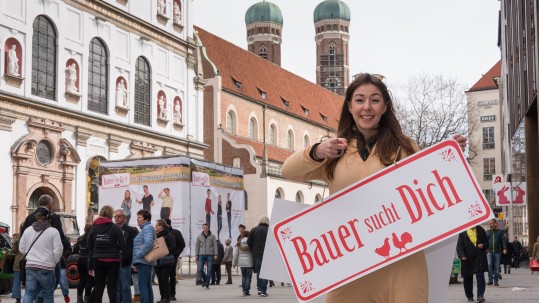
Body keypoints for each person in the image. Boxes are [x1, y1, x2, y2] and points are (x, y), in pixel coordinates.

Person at [281, 73, 467, 303]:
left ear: (385, 106)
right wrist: (317, 151)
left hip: (402, 260)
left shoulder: (406, 147)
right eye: (359, 100)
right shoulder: (334, 150)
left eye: (375, 100)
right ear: (349, 106)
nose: (366, 107)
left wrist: (446, 154)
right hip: (351, 261)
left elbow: (432, 187)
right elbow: (287, 171)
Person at [19, 207, 63, 303]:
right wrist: (53, 261)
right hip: (46, 267)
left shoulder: (28, 230)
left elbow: (21, 248)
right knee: (48, 293)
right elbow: (58, 250)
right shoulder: (53, 231)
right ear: (48, 218)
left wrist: (30, 257)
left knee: (29, 293)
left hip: (30, 266)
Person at [87, 205, 126, 303]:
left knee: (99, 286)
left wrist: (98, 249)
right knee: (112, 286)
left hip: (98, 260)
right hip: (113, 260)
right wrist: (114, 249)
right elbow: (123, 245)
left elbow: (89, 246)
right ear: (111, 214)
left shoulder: (94, 228)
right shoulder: (115, 228)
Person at [456, 225, 488, 303]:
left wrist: (483, 245)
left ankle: (480, 296)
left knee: (480, 277)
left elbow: (487, 243)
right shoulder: (463, 232)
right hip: (467, 258)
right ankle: (469, 296)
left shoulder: (481, 230)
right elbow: (459, 246)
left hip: (478, 257)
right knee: (467, 278)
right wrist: (462, 255)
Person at [114, 209, 138, 303]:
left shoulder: (130, 230)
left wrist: (131, 260)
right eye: (115, 216)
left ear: (124, 218)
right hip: (113, 261)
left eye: (118, 216)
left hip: (125, 262)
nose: (116, 218)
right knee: (115, 286)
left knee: (125, 286)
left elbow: (133, 246)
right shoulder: (112, 228)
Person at [132, 210, 156, 303]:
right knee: (146, 285)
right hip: (144, 261)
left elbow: (149, 243)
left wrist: (138, 255)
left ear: (146, 219)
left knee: (142, 285)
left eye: (140, 217)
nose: (137, 219)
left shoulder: (147, 228)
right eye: (137, 217)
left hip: (144, 261)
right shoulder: (146, 228)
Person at [163, 218, 185, 301]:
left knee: (172, 276)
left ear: (167, 224)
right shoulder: (160, 233)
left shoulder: (176, 233)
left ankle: (172, 294)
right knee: (163, 277)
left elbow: (182, 244)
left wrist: (176, 254)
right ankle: (165, 294)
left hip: (172, 258)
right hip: (162, 258)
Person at [247, 215, 270, 297]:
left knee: (259, 271)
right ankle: (264, 290)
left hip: (256, 253)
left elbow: (249, 242)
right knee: (266, 272)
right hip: (267, 253)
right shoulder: (269, 230)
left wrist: (253, 250)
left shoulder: (253, 230)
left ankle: (259, 289)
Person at [155, 219, 176, 303]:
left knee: (164, 279)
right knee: (160, 279)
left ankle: (167, 298)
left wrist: (164, 251)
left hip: (166, 261)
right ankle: (162, 297)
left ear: (161, 227)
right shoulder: (156, 235)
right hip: (157, 260)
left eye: (157, 225)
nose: (155, 227)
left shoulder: (169, 235)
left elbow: (173, 247)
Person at [72, 224, 94, 303]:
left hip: (80, 260)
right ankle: (86, 299)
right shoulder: (91, 238)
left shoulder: (80, 238)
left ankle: (79, 299)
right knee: (89, 281)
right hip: (88, 261)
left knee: (81, 280)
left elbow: (75, 249)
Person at [195, 223, 218, 289]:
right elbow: (197, 246)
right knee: (200, 269)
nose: (205, 228)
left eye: (206, 227)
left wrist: (215, 254)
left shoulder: (212, 236)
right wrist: (196, 254)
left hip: (209, 254)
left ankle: (207, 284)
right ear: (203, 228)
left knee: (209, 269)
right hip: (201, 254)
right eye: (204, 227)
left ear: (208, 228)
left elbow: (215, 245)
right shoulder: (199, 236)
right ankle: (205, 280)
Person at [485, 219, 507, 286]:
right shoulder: (487, 232)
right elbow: (485, 242)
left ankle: (496, 281)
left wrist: (505, 249)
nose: (490, 225)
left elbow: (503, 241)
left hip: (497, 252)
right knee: (489, 265)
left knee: (497, 267)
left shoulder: (500, 232)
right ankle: (490, 280)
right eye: (490, 223)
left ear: (495, 223)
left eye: (491, 223)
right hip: (489, 252)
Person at [233, 230, 252, 296]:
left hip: (241, 263)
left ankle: (244, 290)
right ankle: (246, 290)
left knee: (243, 276)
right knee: (248, 277)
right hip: (249, 262)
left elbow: (235, 255)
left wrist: (234, 264)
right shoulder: (251, 243)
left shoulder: (238, 243)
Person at [10, 230, 23, 303]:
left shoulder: (18, 238)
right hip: (30, 262)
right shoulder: (33, 235)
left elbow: (13, 251)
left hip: (18, 262)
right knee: (30, 282)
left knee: (17, 282)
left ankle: (18, 299)